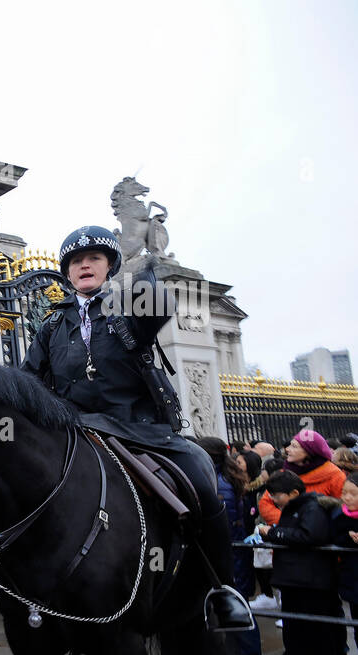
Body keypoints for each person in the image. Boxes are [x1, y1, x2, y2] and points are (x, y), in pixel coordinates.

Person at [21, 225, 252, 631]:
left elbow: (160, 308)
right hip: (76, 430)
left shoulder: (128, 306)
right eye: (76, 261)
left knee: (201, 473)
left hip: (137, 428)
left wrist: (142, 274)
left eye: (94, 258)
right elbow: (28, 382)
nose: (84, 265)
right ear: (67, 272)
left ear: (109, 266)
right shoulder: (52, 326)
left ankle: (222, 591)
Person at [254, 471, 342, 655]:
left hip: (311, 580)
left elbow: (309, 537)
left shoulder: (313, 508)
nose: (273, 499)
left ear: (293, 493)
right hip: (293, 578)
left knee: (315, 626)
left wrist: (272, 533)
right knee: (293, 625)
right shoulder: (294, 508)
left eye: (277, 495)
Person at [197, 438, 260, 655]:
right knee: (225, 604)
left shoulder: (219, 483)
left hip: (229, 554)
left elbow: (223, 525)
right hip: (228, 553)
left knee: (234, 604)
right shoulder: (220, 477)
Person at [256, 429, 346, 526]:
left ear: (310, 451)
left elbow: (344, 508)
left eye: (294, 446)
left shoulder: (335, 475)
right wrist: (289, 523)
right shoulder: (284, 472)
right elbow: (265, 502)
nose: (287, 449)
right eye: (290, 445)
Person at [331, 472, 358, 655]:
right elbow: (336, 540)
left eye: (353, 494)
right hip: (353, 582)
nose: (347, 498)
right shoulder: (340, 516)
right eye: (344, 493)